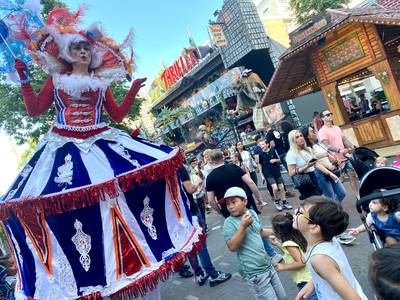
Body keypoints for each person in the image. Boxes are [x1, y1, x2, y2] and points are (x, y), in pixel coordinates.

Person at [2, 7, 202, 299]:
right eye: (77, 48)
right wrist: (23, 79)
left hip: (101, 139)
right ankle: (96, 268)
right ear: (68, 53)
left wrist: (132, 91)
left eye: (86, 47)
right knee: (77, 202)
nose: (82, 51)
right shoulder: (55, 81)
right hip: (65, 144)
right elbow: (34, 111)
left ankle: (141, 249)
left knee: (129, 190)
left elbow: (118, 116)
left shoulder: (100, 83)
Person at [294, 197, 368, 300]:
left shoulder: (319, 258)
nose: (295, 211)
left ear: (314, 227)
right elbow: (331, 271)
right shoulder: (329, 239)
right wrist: (312, 283)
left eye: (300, 212)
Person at [223, 187, 286, 300]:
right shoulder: (229, 222)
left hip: (267, 264)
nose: (230, 206)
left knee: (283, 296)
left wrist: (281, 232)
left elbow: (260, 231)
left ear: (245, 201)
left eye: (234, 202)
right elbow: (232, 247)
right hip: (254, 273)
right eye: (228, 204)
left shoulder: (251, 213)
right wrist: (243, 226)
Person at [178, 166, 232, 287]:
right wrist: (197, 184)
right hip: (190, 211)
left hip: (177, 216)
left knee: (190, 246)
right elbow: (190, 189)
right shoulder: (178, 167)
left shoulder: (160, 169)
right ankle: (212, 275)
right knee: (201, 244)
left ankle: (199, 274)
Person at [206, 149, 266, 218]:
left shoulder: (210, 177)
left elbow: (211, 200)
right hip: (242, 202)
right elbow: (251, 183)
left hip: (227, 207)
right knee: (251, 223)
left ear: (211, 160)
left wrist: (219, 211)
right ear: (222, 157)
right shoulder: (234, 167)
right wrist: (259, 199)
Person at [270, 214, 317, 300]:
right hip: (310, 277)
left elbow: (301, 262)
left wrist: (283, 267)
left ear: (279, 231)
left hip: (305, 280)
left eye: (273, 228)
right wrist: (277, 244)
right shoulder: (295, 236)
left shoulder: (288, 244)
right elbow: (291, 253)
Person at [318, 110, 360, 197]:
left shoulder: (336, 127)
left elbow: (344, 140)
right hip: (335, 160)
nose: (330, 115)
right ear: (322, 118)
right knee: (339, 179)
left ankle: (358, 196)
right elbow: (327, 146)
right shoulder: (322, 131)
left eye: (331, 114)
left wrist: (352, 146)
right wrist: (339, 150)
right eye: (327, 115)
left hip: (345, 157)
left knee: (353, 175)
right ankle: (334, 200)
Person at [301, 125, 346, 202]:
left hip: (331, 170)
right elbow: (315, 164)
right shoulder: (306, 150)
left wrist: (335, 160)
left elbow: (328, 155)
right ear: (307, 136)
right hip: (321, 173)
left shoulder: (319, 144)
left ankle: (332, 209)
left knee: (342, 193)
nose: (315, 132)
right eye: (312, 131)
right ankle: (333, 211)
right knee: (330, 197)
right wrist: (329, 173)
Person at [258, 139, 292, 211]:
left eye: (263, 144)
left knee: (282, 187)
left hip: (276, 172)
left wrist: (275, 160)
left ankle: (284, 202)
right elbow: (260, 165)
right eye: (260, 145)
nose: (261, 146)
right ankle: (276, 201)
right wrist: (261, 175)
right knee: (275, 188)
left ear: (267, 144)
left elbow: (279, 159)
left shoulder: (273, 150)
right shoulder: (260, 154)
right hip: (268, 173)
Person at [286, 130, 321, 200]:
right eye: (297, 137)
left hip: (314, 175)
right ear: (293, 140)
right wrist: (307, 166)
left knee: (320, 200)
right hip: (305, 179)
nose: (300, 138)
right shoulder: (291, 154)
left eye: (301, 136)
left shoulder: (307, 149)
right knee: (314, 202)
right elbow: (291, 172)